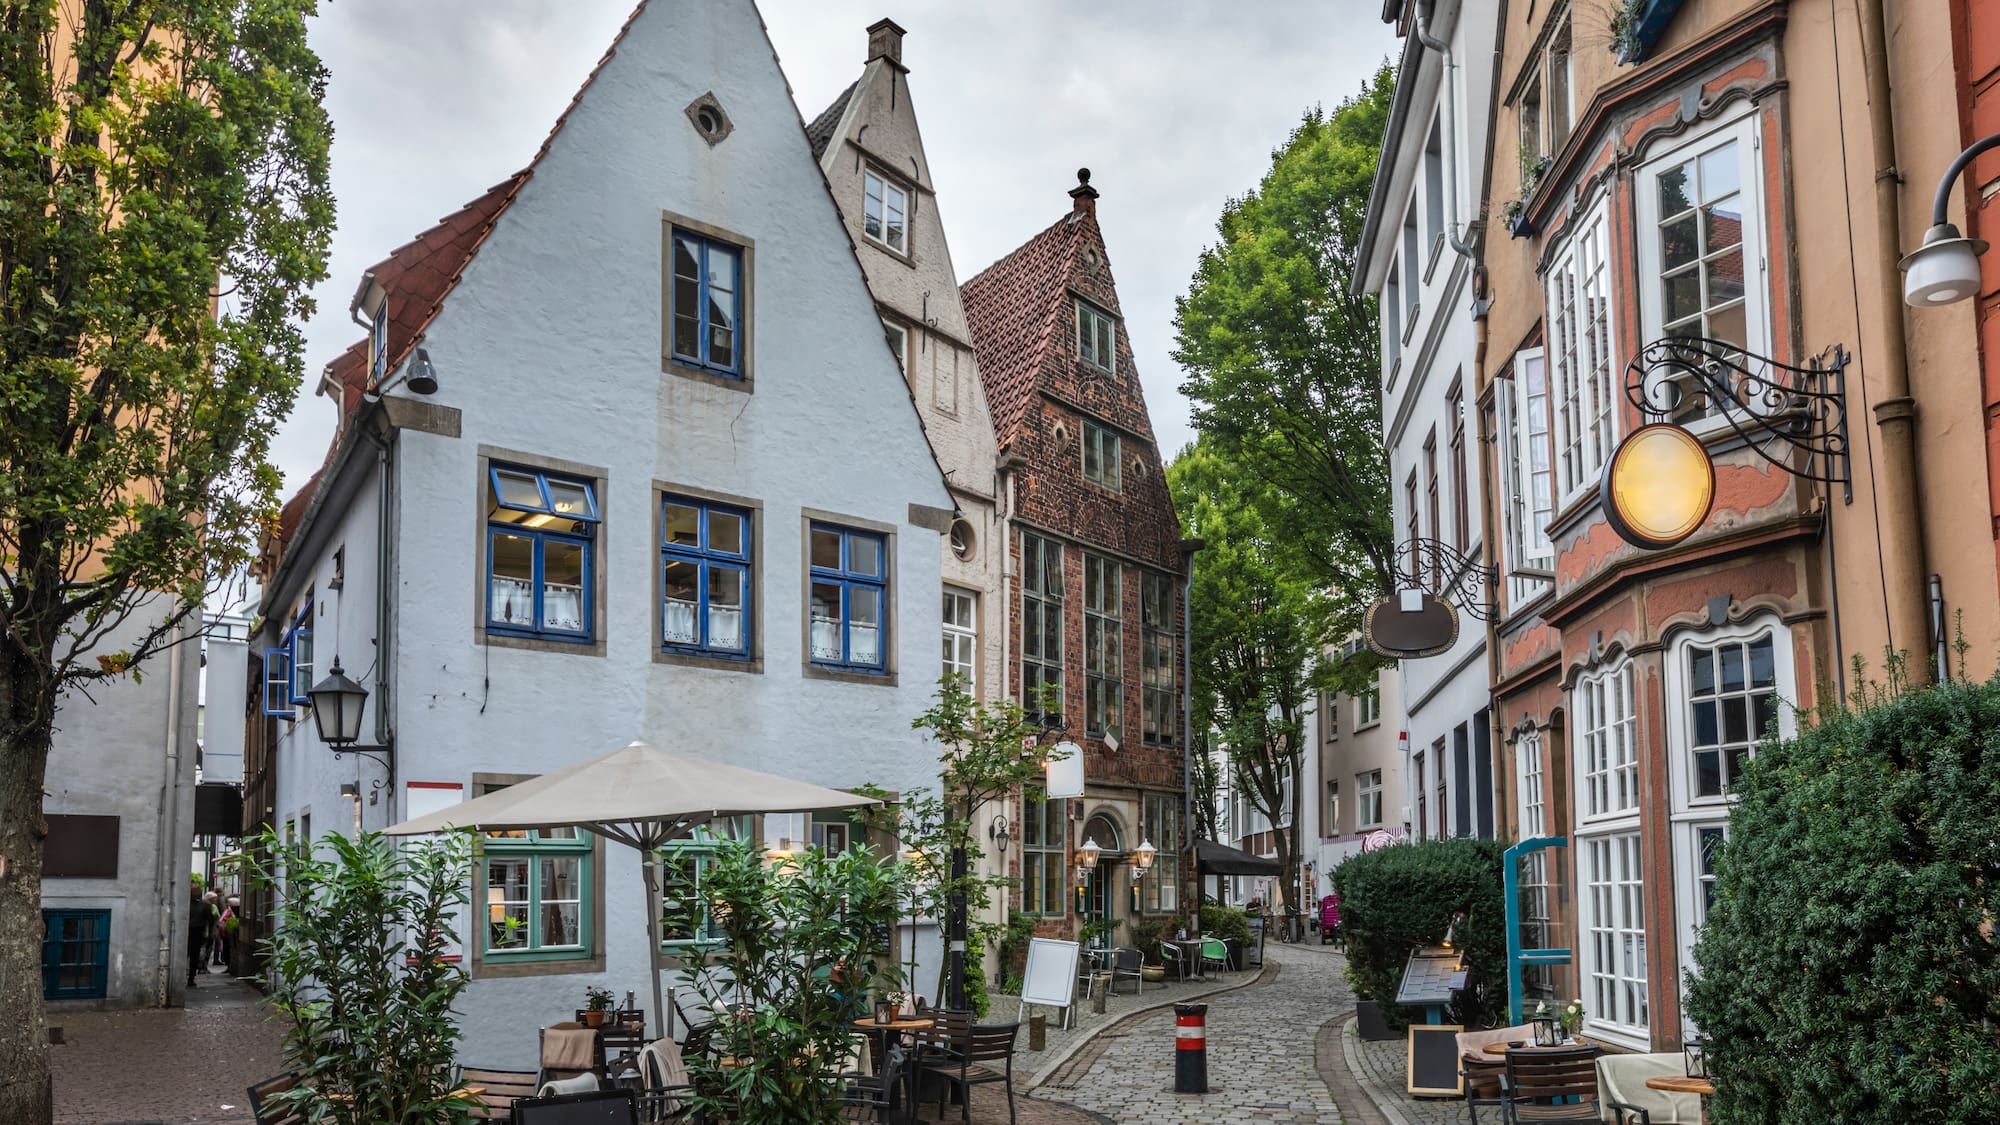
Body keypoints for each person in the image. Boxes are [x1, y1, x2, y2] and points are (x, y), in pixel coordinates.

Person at [185, 878, 214, 986]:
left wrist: (210, 933)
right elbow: (210, 920)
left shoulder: (202, 905)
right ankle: (190, 977)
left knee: (192, 956)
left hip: (195, 933)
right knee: (193, 956)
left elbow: (210, 920)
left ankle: (190, 977)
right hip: (195, 932)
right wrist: (210, 933)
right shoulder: (204, 905)